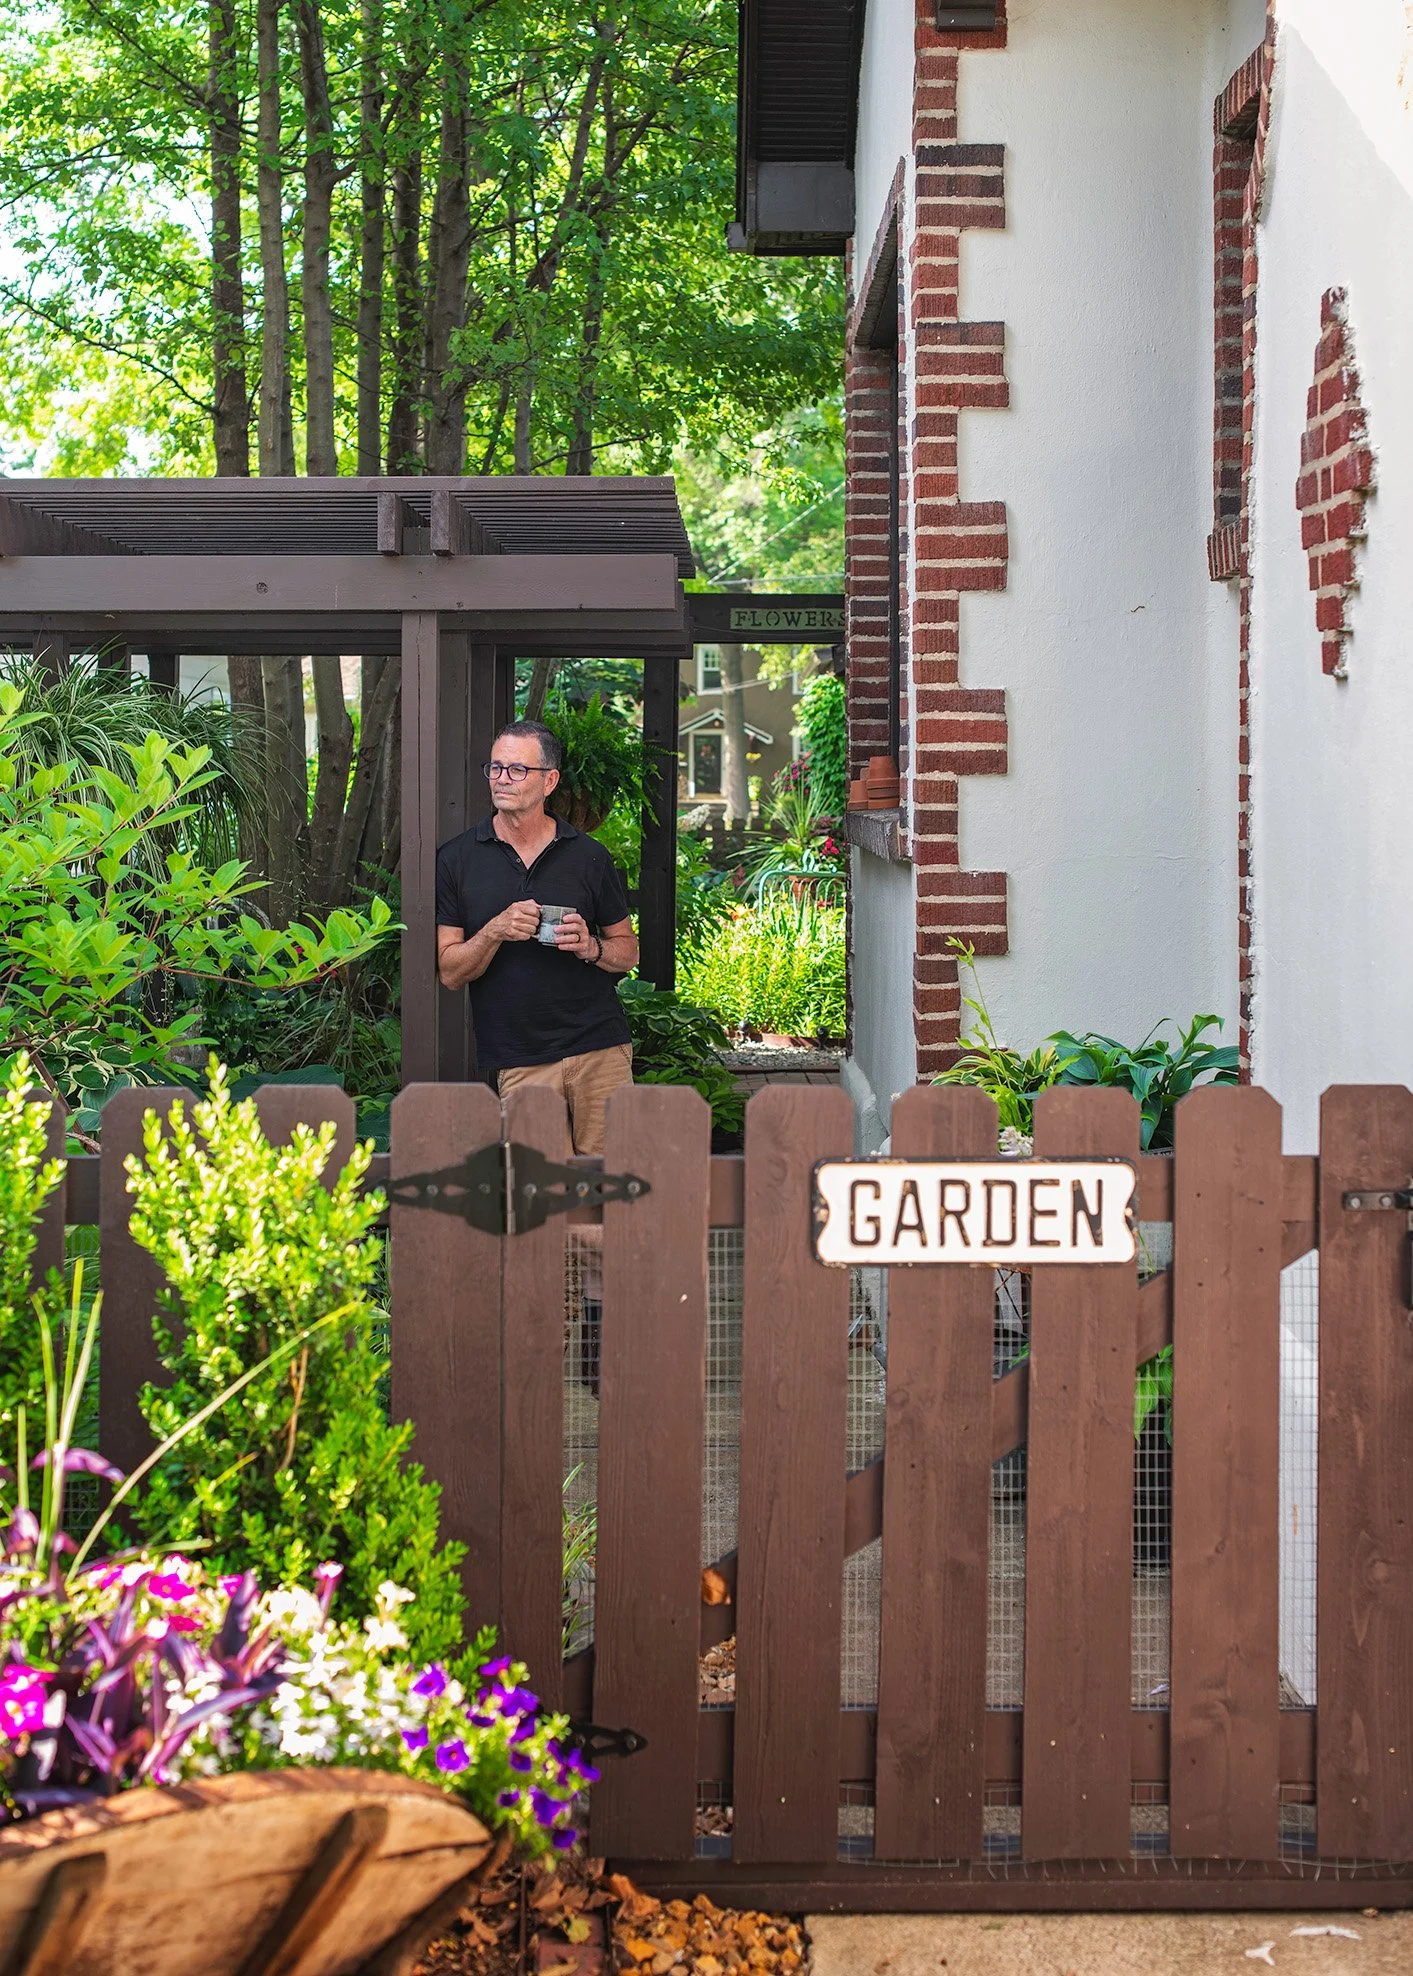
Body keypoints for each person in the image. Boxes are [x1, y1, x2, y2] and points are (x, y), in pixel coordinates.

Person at [434, 718, 638, 1155]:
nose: (503, 779)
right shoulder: (456, 859)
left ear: (550, 781)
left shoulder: (589, 857)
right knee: (538, 1203)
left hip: (599, 1049)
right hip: (519, 1057)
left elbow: (628, 951)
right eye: (496, 768)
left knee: (613, 1193)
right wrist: (494, 931)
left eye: (517, 770)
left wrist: (591, 947)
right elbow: (450, 972)